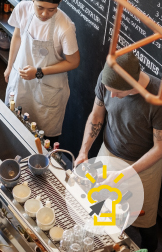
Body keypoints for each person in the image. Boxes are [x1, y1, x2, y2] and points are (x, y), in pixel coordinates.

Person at [75, 52, 162, 252]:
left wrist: (124, 174)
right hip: (109, 153)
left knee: (145, 224)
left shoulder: (157, 97)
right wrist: (83, 151)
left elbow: (159, 148)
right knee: (100, 209)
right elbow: (97, 115)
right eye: (109, 91)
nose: (112, 96)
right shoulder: (106, 78)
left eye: (117, 92)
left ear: (134, 83)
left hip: (144, 166)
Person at [4, 0, 80, 145]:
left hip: (47, 89)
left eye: (51, 9)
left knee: (44, 139)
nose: (45, 14)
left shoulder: (65, 27)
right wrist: (10, 66)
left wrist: (39, 72)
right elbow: (17, 36)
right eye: (40, 7)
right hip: (21, 79)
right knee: (14, 124)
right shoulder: (23, 9)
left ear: (59, 4)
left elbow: (74, 62)